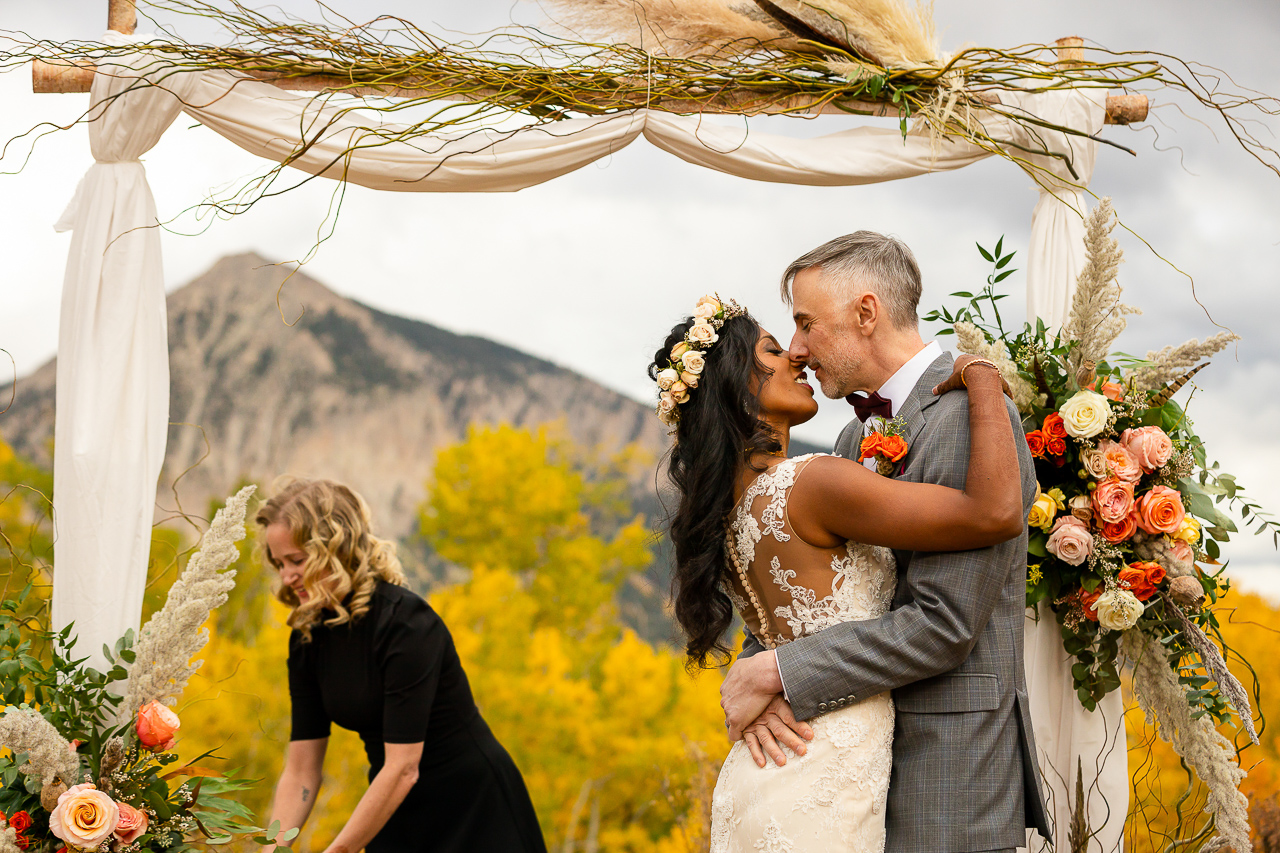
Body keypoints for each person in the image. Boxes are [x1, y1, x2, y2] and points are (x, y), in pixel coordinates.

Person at [710, 232, 1051, 853]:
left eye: (807, 324)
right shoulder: (846, 443)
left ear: (866, 314)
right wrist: (757, 679)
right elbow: (802, 597)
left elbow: (945, 623)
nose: (798, 348)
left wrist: (781, 671)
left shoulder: (966, 422)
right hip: (842, 770)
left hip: (948, 777)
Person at [255, 478, 547, 853]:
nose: (286, 576)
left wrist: (338, 851)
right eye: (279, 563)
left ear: (338, 549)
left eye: (297, 560)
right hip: (394, 807)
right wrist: (273, 848)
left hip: (473, 810)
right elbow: (301, 769)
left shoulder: (405, 623)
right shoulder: (308, 636)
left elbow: (404, 767)